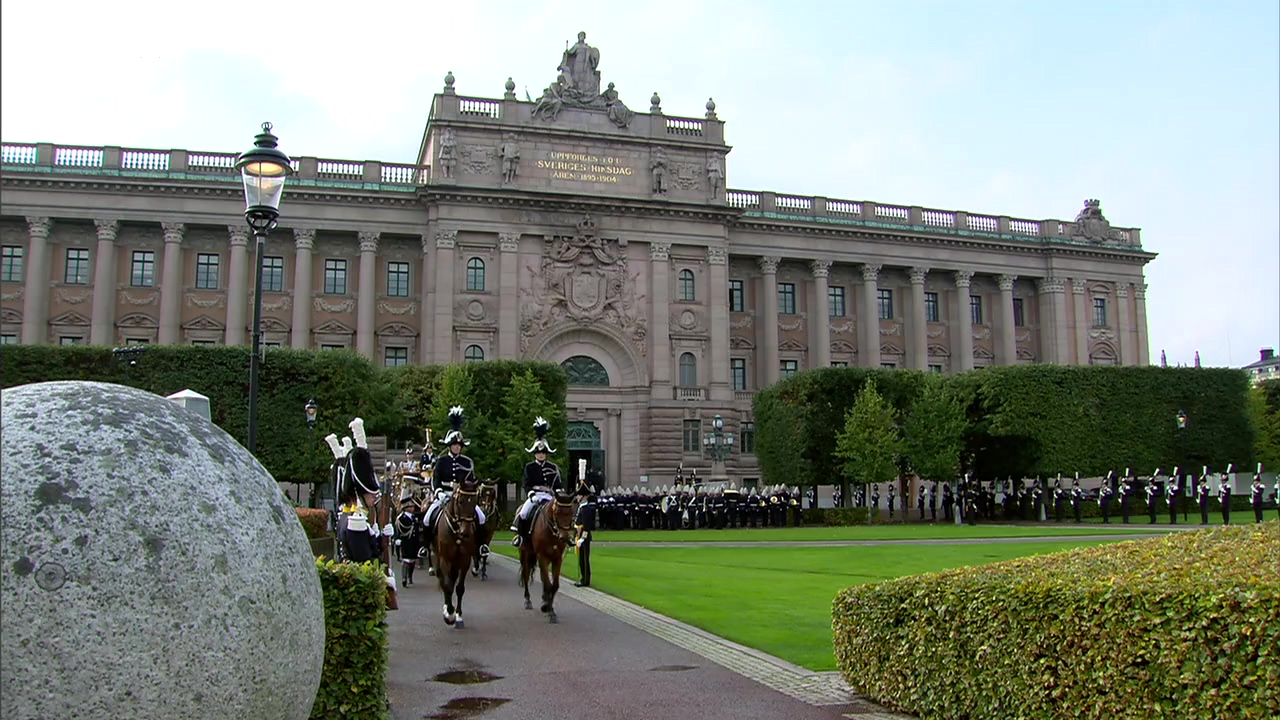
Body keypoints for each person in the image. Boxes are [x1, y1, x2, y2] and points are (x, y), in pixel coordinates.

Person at [426, 406, 489, 557]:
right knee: (428, 517)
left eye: (459, 445)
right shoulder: (441, 461)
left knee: (481, 517)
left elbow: (471, 480)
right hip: (445, 494)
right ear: (449, 446)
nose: (456, 447)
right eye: (454, 445)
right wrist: (438, 491)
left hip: (463, 497)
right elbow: (436, 479)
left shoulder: (467, 462)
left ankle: (481, 547)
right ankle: (425, 546)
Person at [510, 416, 564, 547]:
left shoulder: (553, 467)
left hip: (550, 496)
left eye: (543, 453)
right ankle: (520, 537)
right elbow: (527, 484)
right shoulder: (530, 467)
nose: (540, 455)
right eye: (538, 452)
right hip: (535, 495)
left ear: (546, 454)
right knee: (523, 513)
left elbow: (557, 485)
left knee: (562, 512)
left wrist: (559, 493)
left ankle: (563, 538)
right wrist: (531, 494)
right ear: (534, 453)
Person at [573, 491, 597, 587]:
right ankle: (583, 578)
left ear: (583, 497)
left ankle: (586, 580)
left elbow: (587, 526)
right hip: (579, 535)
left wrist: (582, 538)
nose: (577, 497)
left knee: (585, 559)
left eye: (579, 495)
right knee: (581, 559)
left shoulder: (586, 509)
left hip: (584, 537)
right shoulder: (581, 508)